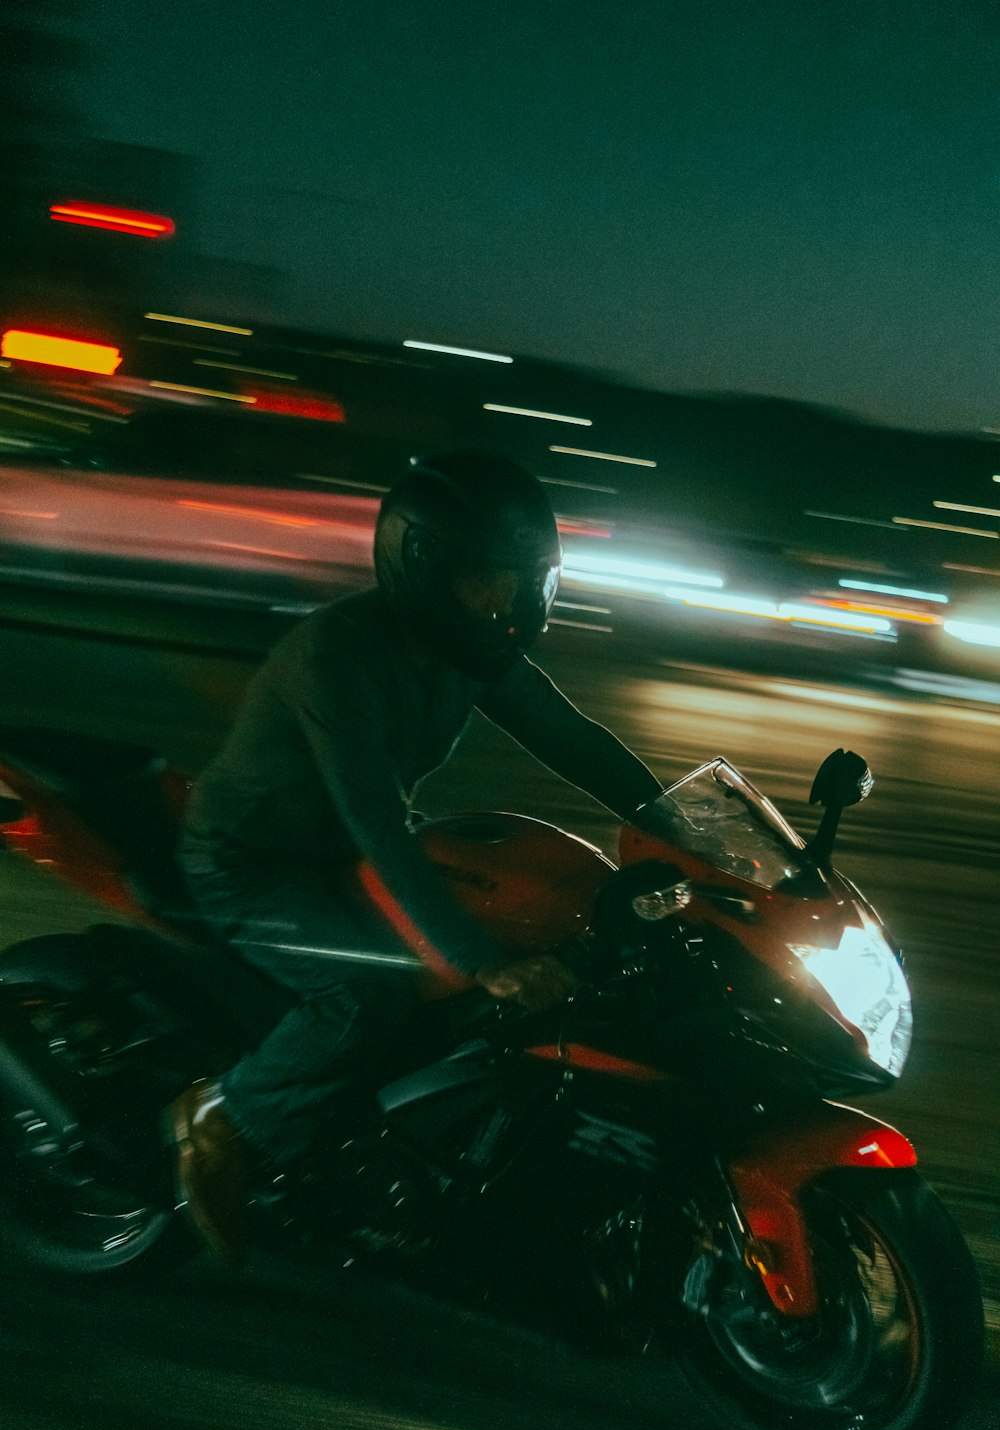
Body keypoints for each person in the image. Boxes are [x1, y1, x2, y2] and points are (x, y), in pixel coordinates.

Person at [167, 451, 662, 1262]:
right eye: (487, 580)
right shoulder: (338, 659)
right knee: (365, 990)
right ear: (423, 570)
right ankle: (224, 1117)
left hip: (344, 850)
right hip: (252, 863)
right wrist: (480, 962)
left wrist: (674, 825)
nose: (508, 602)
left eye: (524, 580)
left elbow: (569, 737)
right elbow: (373, 820)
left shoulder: (471, 653)